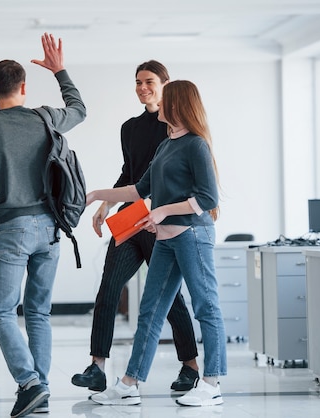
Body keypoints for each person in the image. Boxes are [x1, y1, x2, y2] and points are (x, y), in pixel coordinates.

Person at [0, 33, 86, 418]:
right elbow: (79, 109)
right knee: (38, 312)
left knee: (1, 311)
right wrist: (60, 70)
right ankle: (41, 385)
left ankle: (30, 383)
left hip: (12, 228)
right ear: (23, 87)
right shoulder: (46, 116)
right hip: (51, 229)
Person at [86, 80, 227, 407]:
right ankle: (130, 384)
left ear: (177, 104)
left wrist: (162, 210)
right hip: (166, 240)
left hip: (192, 235)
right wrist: (97, 194)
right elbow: (138, 190)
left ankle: (212, 382)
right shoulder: (166, 145)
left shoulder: (196, 145)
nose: (159, 103)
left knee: (206, 305)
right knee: (150, 312)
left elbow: (206, 198)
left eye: (166, 99)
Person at [71, 60, 200, 394]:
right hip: (131, 217)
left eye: (149, 81)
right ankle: (97, 365)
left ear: (165, 84)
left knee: (168, 298)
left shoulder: (178, 128)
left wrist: (163, 214)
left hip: (162, 221)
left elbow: (180, 178)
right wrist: (106, 204)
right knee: (109, 288)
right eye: (138, 82)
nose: (143, 87)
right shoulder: (130, 127)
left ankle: (190, 366)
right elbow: (131, 173)